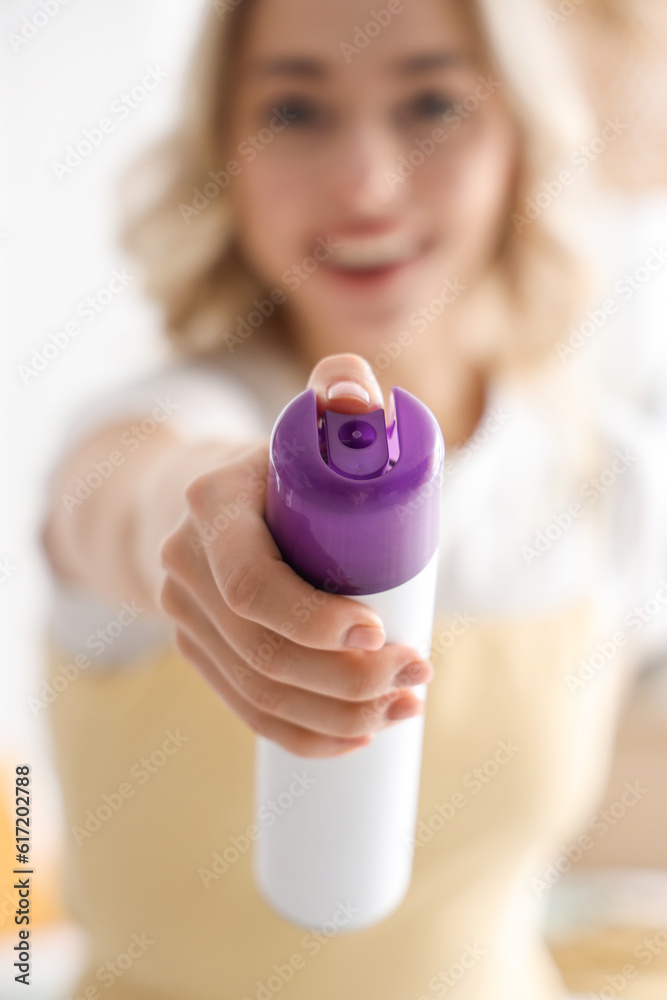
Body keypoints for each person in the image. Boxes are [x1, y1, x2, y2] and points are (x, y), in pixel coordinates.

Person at [39, 0, 667, 997]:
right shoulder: (146, 423)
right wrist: (206, 529)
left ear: (517, 138)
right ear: (224, 153)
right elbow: (122, 496)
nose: (366, 185)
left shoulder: (611, 484)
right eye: (295, 111)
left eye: (430, 102)